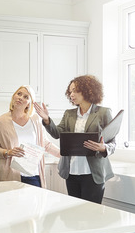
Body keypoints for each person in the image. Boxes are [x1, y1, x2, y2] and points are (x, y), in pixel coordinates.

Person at [34, 75, 115, 203]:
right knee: (74, 214)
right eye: (70, 91)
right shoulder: (69, 114)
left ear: (88, 90)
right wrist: (46, 120)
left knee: (91, 213)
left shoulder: (103, 113)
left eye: (75, 90)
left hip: (93, 174)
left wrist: (103, 147)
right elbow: (57, 133)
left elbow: (112, 142)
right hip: (71, 172)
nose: (72, 94)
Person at [0, 85, 60, 188]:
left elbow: (45, 144)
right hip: (11, 176)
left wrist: (64, 154)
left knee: (36, 204)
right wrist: (8, 152)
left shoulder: (35, 120)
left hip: (34, 176)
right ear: (14, 96)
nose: (20, 97)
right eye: (19, 94)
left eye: (26, 97)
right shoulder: (0, 122)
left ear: (29, 104)